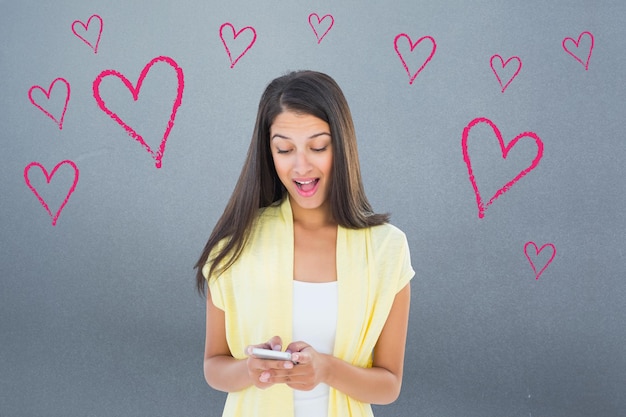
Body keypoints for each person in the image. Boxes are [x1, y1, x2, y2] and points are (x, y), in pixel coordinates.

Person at [195, 70, 414, 417]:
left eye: (318, 147)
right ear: (269, 152)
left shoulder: (387, 250)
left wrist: (327, 369)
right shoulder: (236, 244)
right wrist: (250, 370)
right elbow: (213, 367)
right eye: (284, 149)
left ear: (341, 146)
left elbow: (389, 384)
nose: (301, 166)